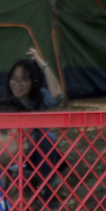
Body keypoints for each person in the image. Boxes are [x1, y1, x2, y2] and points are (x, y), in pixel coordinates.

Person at [4, 51, 66, 199]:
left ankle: (44, 187)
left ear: (33, 81)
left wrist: (42, 64)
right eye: (14, 79)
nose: (18, 84)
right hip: (11, 151)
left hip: (35, 151)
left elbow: (57, 94)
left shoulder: (40, 97)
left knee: (47, 137)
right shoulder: (5, 103)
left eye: (24, 80)